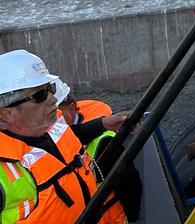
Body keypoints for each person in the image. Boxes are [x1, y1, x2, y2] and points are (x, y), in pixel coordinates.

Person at [0, 50, 121, 223]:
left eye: (50, 89)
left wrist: (104, 123)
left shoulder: (51, 127)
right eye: (40, 95)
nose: (52, 99)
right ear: (6, 115)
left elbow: (72, 136)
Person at [56, 83, 141, 223]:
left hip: (109, 217)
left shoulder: (104, 141)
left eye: (56, 114)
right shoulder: (59, 135)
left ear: (71, 109)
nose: (52, 123)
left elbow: (130, 183)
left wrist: (133, 218)